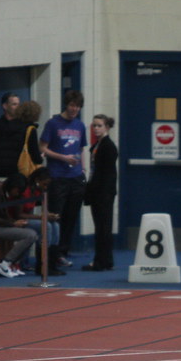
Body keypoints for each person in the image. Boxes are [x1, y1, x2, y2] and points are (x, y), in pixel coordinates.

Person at [39, 90, 87, 265]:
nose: (75, 109)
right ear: (66, 105)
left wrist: (83, 170)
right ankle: (52, 252)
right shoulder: (53, 123)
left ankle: (63, 252)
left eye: (78, 106)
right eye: (72, 105)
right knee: (56, 215)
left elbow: (81, 149)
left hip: (75, 176)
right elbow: (43, 148)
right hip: (57, 176)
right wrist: (62, 157)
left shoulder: (80, 126)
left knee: (71, 216)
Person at [0, 172, 38, 279]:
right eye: (18, 191)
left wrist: (15, 223)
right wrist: (12, 223)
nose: (17, 194)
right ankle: (5, 264)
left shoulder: (2, 191)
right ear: (14, 187)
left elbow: (1, 215)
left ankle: (12, 263)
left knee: (29, 231)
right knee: (30, 235)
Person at [12, 167, 63, 276]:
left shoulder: (38, 191)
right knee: (46, 225)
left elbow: (44, 210)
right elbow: (18, 214)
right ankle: (41, 265)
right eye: (44, 184)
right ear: (37, 181)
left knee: (55, 225)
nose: (46, 187)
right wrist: (41, 217)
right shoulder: (25, 191)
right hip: (19, 219)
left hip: (29, 218)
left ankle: (52, 263)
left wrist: (49, 215)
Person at [83, 114, 117, 272]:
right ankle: (106, 259)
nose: (96, 128)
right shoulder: (98, 145)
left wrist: (102, 193)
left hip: (103, 192)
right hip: (98, 191)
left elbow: (108, 173)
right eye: (94, 125)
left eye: (99, 126)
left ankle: (101, 260)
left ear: (107, 127)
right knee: (102, 227)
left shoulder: (108, 146)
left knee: (103, 227)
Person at [0, 92, 24, 177]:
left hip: (19, 169)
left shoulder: (24, 126)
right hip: (1, 170)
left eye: (19, 104)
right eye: (14, 104)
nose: (18, 107)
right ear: (5, 106)